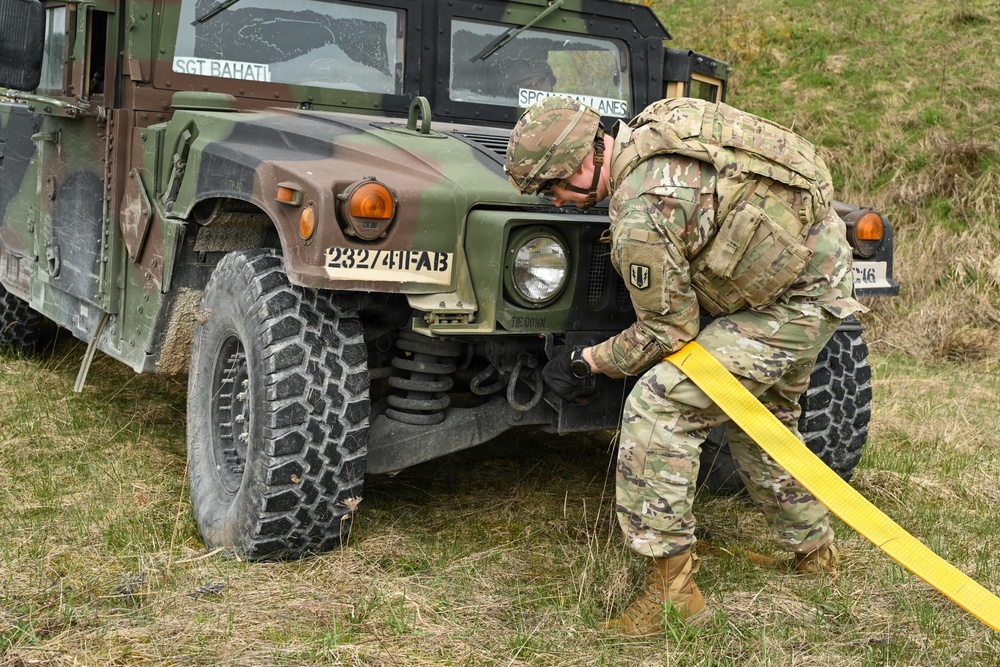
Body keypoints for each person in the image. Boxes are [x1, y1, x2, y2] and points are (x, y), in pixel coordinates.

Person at [504, 95, 866, 635]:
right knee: (761, 420)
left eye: (552, 188)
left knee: (661, 406)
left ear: (580, 163)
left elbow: (667, 332)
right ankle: (815, 555)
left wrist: (587, 363)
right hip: (817, 264)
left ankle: (673, 595)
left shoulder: (640, 208)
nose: (556, 202)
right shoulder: (658, 127)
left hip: (793, 301)